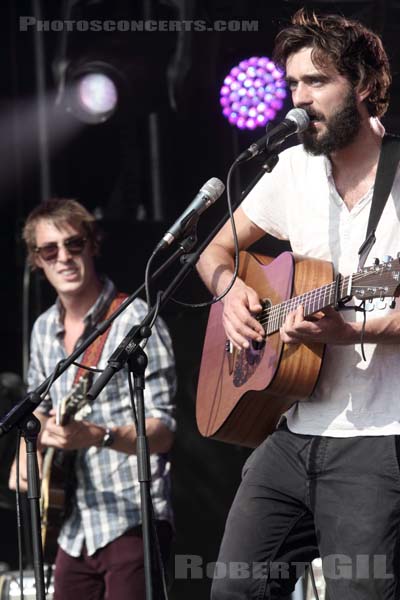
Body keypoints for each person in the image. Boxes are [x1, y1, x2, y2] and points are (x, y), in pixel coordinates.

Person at [197, 8, 400, 600]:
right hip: (291, 432)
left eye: (317, 82)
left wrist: (352, 332)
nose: (299, 99)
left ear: (363, 85)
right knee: (234, 590)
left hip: (377, 440)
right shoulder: (291, 169)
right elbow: (215, 250)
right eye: (293, 84)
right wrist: (230, 289)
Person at [9, 198, 176, 599]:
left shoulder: (134, 321)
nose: (63, 258)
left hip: (132, 518)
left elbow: (164, 432)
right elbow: (40, 409)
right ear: (37, 260)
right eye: (50, 250)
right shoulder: (42, 328)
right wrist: (25, 454)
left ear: (93, 245)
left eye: (74, 244)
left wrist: (99, 435)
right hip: (72, 526)